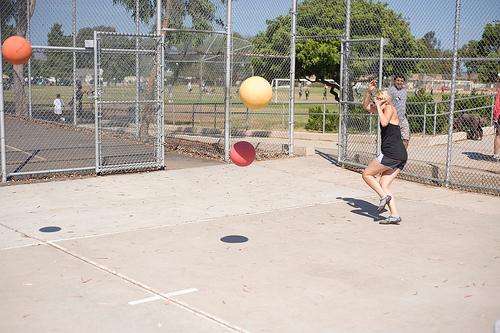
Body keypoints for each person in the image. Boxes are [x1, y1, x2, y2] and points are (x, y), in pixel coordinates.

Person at [362, 80, 408, 225]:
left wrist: (379, 105)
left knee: (366, 174)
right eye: (378, 98)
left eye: (380, 98)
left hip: (391, 153)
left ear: (386, 100)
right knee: (384, 184)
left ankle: (383, 197)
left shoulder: (389, 108)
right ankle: (394, 214)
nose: (378, 100)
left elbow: (384, 123)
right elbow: (365, 106)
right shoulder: (382, 109)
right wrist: (369, 92)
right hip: (399, 154)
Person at [388, 74, 410, 148]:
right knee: (393, 140)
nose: (399, 82)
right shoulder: (391, 90)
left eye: (401, 81)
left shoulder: (404, 91)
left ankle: (402, 155)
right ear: (394, 81)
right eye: (398, 80)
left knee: (406, 138)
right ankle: (392, 157)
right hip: (393, 119)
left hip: (402, 118)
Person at [493, 77, 500, 161]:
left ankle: (496, 155)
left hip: (498, 114)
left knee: (498, 135)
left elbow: (497, 104)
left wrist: (495, 116)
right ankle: (496, 155)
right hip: (499, 114)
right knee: (498, 135)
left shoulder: (498, 90)